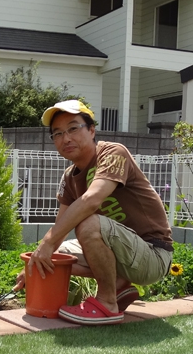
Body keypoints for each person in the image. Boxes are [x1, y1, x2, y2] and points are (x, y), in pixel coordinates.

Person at [13, 100, 173, 325]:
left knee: (88, 223)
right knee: (57, 257)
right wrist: (35, 261)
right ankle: (119, 288)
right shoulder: (69, 177)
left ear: (91, 130)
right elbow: (59, 228)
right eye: (57, 133)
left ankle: (107, 303)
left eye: (73, 128)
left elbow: (92, 199)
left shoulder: (113, 154)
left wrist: (48, 244)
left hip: (153, 254)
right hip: (125, 252)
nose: (66, 138)